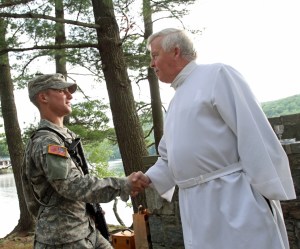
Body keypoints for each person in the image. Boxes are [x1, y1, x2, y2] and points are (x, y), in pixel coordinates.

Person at [140, 28, 296, 249]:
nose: (152, 63)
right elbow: (169, 156)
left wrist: (263, 193)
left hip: (234, 199)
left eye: (154, 55)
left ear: (175, 51)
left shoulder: (217, 75)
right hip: (196, 206)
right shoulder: (176, 101)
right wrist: (148, 178)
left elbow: (252, 131)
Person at [21, 73, 147, 249]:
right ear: (43, 97)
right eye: (61, 90)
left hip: (86, 230)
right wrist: (121, 185)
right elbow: (71, 185)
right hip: (63, 238)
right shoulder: (47, 142)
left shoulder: (64, 137)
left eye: (69, 91)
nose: (70, 95)